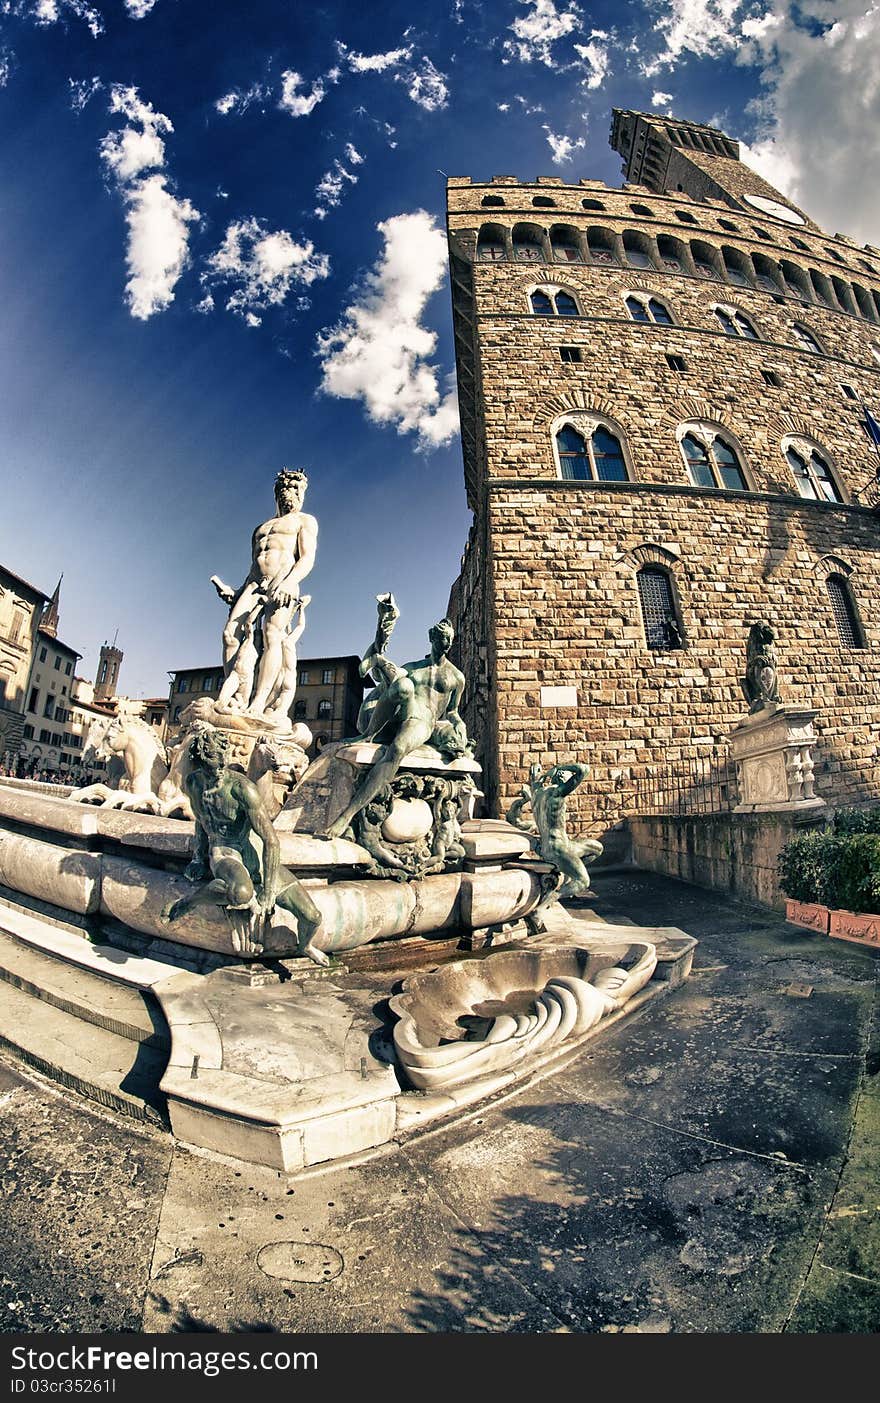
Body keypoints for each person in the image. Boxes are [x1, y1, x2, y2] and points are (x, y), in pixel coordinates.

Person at [160, 727, 325, 964]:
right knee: (242, 893)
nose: (217, 772)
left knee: (313, 916)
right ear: (199, 762)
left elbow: (271, 841)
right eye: (210, 767)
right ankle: (188, 902)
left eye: (221, 765)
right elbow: (201, 821)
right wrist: (198, 858)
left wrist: (269, 891)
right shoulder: (194, 782)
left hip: (253, 853)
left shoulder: (242, 789)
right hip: (224, 852)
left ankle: (305, 945)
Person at [324, 602, 471, 840]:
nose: (447, 644)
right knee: (401, 684)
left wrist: (459, 724)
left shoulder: (456, 676)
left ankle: (347, 815)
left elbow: (452, 711)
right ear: (432, 637)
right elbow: (375, 678)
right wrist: (380, 647)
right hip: (400, 713)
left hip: (424, 720)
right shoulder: (412, 668)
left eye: (450, 639)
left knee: (398, 748)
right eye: (443, 638)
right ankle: (367, 734)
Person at [212, 469, 318, 718]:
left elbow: (307, 557)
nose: (289, 495)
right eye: (284, 490)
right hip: (254, 583)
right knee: (230, 635)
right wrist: (236, 592)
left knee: (272, 635)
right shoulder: (261, 528)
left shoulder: (305, 521)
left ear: (302, 494)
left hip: (283, 580)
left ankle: (258, 702)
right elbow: (254, 565)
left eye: (294, 490)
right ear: (276, 494)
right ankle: (238, 697)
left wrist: (290, 583)